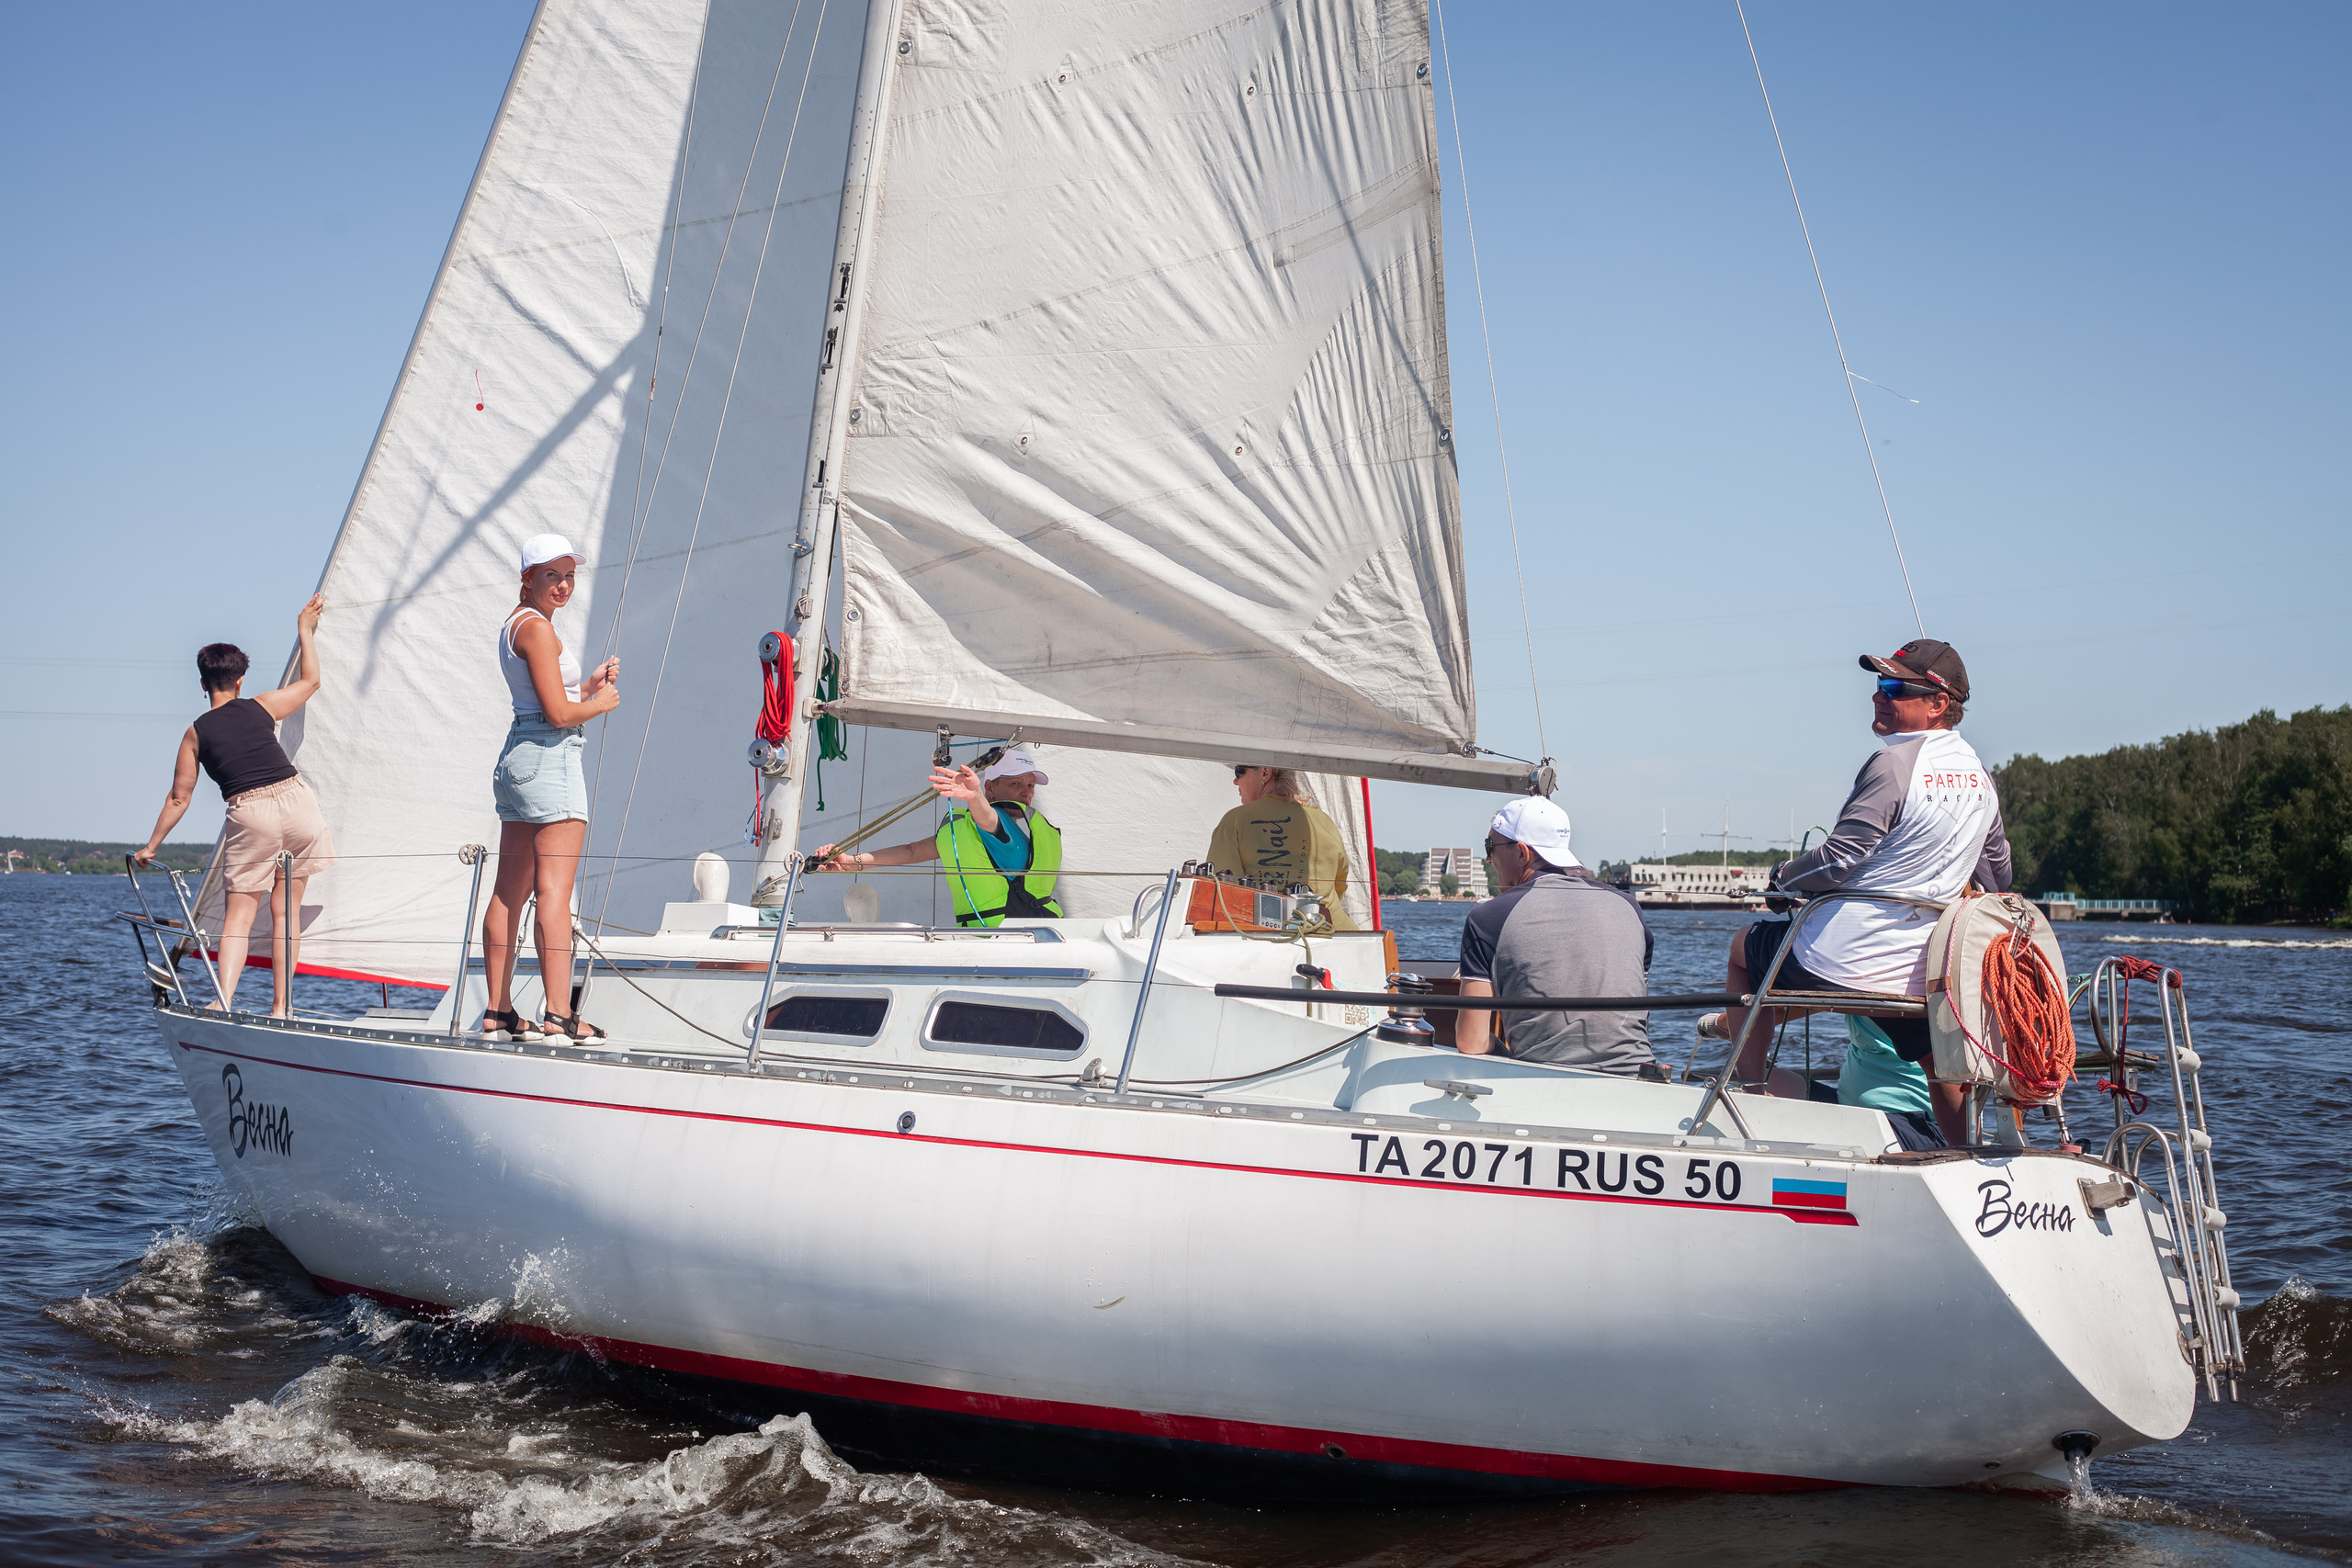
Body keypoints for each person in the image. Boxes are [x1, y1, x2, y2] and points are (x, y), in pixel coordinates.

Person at [1711, 638, 2012, 1149]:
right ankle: (1965, 1154)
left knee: (1743, 949)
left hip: (1844, 958)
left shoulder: (1892, 765)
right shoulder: (1982, 780)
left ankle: (1752, 1093)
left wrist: (1782, 879)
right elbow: (1997, 878)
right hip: (1915, 969)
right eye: (1878, 684)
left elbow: (1838, 860)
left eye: (1894, 688)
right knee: (1935, 1061)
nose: (1878, 695)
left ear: (1938, 704)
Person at [134, 594, 333, 1017]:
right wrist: (304, 629)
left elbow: (179, 797)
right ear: (240, 681)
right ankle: (281, 1008)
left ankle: (223, 1001)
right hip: (297, 800)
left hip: (250, 811)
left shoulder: (195, 733)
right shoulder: (262, 706)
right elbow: (311, 681)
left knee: (239, 918)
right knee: (286, 913)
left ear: (202, 684)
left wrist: (151, 846)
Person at [480, 533, 619, 1043]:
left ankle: (498, 1010)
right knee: (554, 893)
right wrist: (599, 705)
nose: (563, 586)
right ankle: (559, 1014)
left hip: (519, 756)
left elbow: (543, 699)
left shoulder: (515, 624)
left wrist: (587, 687)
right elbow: (559, 715)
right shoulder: (537, 629)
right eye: (551, 576)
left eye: (569, 576)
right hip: (549, 759)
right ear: (528, 578)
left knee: (508, 892)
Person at [1456, 796, 1655, 1075]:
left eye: (1491, 846)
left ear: (1522, 853)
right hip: (1638, 1078)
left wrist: (1507, 1054)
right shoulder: (1628, 906)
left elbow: (1472, 1042)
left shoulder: (1486, 918)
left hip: (1543, 1083)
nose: (1488, 859)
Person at [812, 748, 1062, 926]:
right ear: (990, 787)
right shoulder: (978, 825)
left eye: (1030, 786)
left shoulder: (1001, 826)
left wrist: (974, 797)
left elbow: (988, 819)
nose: (1026, 793)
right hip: (1011, 937)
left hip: (1014, 939)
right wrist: (851, 862)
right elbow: (911, 851)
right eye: (1016, 784)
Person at [1204, 766, 1359, 930]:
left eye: (1240, 772)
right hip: (1338, 933)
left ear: (1265, 773)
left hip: (1269, 936)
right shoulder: (1324, 821)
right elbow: (1340, 884)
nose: (1236, 781)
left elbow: (1223, 890)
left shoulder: (1234, 820)